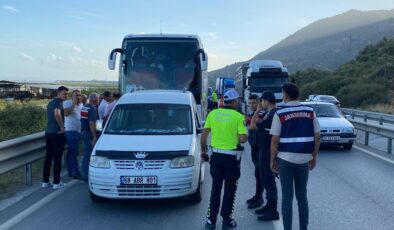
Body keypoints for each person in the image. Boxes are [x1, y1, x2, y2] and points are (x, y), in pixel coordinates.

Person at [270, 83, 321, 230]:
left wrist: (272, 159)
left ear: (285, 95)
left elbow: (274, 140)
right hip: (304, 159)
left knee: (287, 197)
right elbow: (317, 136)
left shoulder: (280, 113)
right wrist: (314, 156)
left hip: (285, 159)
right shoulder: (310, 111)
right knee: (302, 196)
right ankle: (303, 227)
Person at [200, 89, 247, 229]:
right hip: (231, 159)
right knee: (230, 189)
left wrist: (204, 152)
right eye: (237, 100)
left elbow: (204, 136)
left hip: (216, 157)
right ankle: (227, 220)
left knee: (215, 188)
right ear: (233, 101)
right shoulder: (239, 116)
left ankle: (211, 220)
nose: (238, 102)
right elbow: (243, 139)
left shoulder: (213, 113)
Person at [250, 91, 279, 221]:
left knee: (268, 180)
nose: (261, 104)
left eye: (262, 101)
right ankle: (269, 205)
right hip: (264, 149)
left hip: (267, 150)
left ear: (266, 101)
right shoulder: (270, 113)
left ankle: (273, 210)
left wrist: (257, 111)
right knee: (266, 179)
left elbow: (256, 124)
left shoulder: (273, 114)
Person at [42, 86, 68, 189]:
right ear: (59, 93)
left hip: (48, 132)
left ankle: (45, 181)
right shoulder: (58, 102)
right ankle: (57, 182)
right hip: (57, 133)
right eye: (64, 94)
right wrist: (62, 127)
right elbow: (57, 114)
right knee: (57, 158)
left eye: (66, 94)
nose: (65, 96)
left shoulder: (50, 103)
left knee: (48, 157)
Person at [245, 94, 264, 209]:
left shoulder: (261, 115)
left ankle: (260, 198)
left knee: (260, 174)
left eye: (254, 103)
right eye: (250, 103)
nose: (251, 105)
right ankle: (257, 196)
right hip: (254, 148)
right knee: (258, 174)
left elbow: (253, 125)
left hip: (260, 149)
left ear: (259, 103)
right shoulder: (251, 115)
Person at [63, 89, 83, 179]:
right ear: (72, 96)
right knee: (73, 152)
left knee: (71, 152)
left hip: (78, 131)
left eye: (79, 95)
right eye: (76, 95)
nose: (78, 97)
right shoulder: (67, 103)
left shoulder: (81, 104)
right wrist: (73, 104)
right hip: (70, 131)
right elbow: (66, 113)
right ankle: (75, 171)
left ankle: (70, 171)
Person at [81, 93, 99, 182]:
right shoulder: (92, 109)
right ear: (95, 100)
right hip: (89, 133)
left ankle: (84, 175)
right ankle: (93, 176)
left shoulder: (84, 107)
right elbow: (92, 123)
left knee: (86, 154)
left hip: (83, 132)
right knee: (94, 155)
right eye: (98, 98)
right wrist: (95, 136)